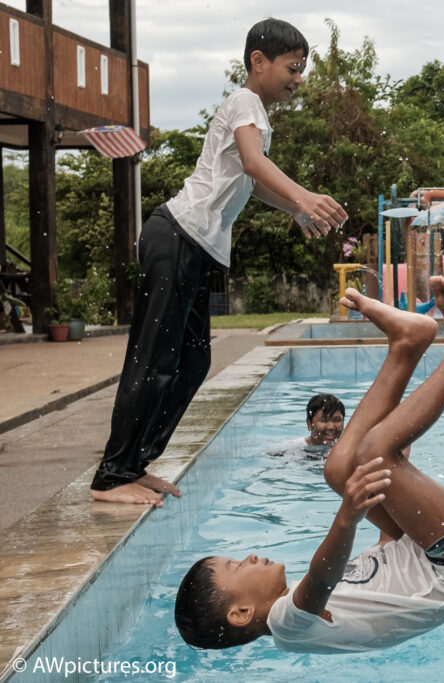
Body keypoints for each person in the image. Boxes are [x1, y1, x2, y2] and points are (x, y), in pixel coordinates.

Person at [174, 276, 444, 653]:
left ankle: (407, 344)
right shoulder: (288, 626)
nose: (248, 557)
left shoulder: (306, 612)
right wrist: (347, 516)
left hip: (434, 550)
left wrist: (395, 479)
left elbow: (391, 565)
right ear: (240, 613)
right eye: (237, 567)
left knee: (339, 468)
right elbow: (322, 576)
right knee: (371, 453)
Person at [90, 19, 348, 506]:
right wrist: (304, 195)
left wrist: (294, 208)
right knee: (155, 360)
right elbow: (253, 162)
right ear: (258, 61)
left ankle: (135, 465)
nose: (298, 78)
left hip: (195, 245)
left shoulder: (255, 112)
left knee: (193, 362)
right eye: (292, 68)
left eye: (301, 69)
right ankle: (111, 475)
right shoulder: (245, 101)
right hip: (177, 235)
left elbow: (253, 180)